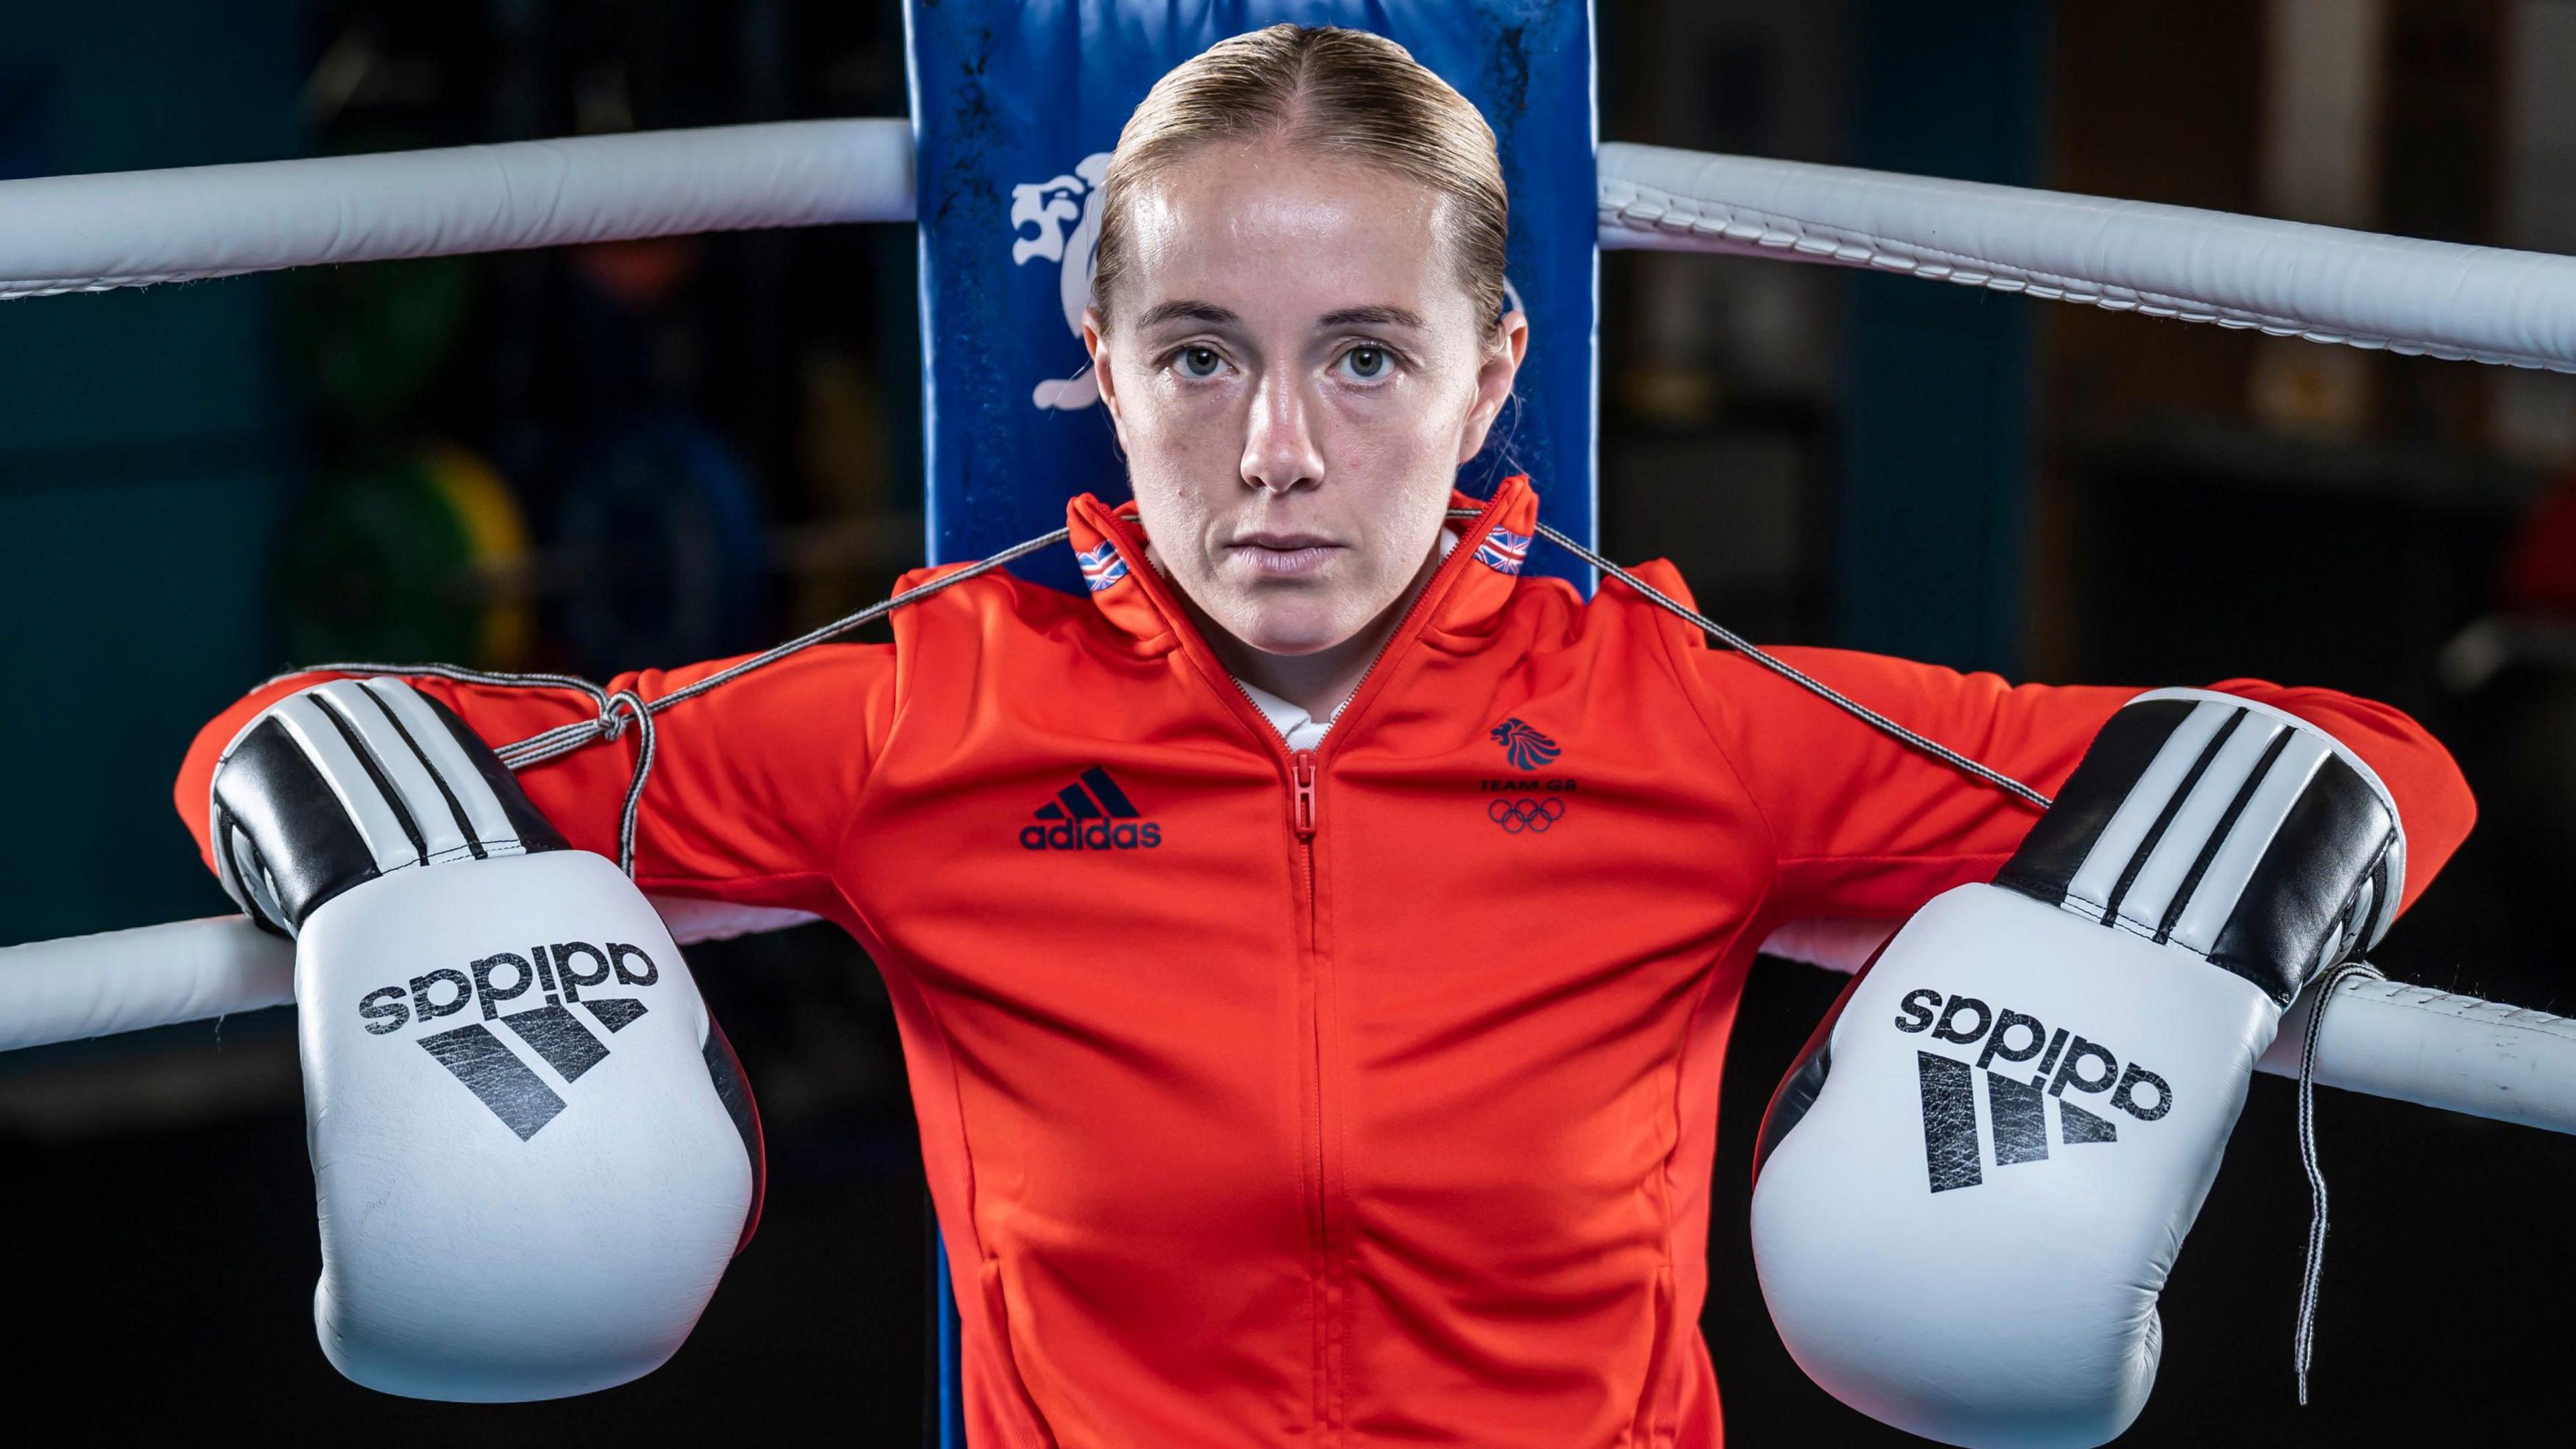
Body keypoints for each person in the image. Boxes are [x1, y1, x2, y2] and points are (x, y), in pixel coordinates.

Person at [174, 23, 2477, 1448]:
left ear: (1491, 381)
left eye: (1367, 356)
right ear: (1098, 352)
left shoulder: (1687, 715)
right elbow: (344, 725)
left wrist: (2160, 925)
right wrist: (368, 840)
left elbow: (2337, 743)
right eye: (1198, 353)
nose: (1276, 447)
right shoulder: (918, 699)